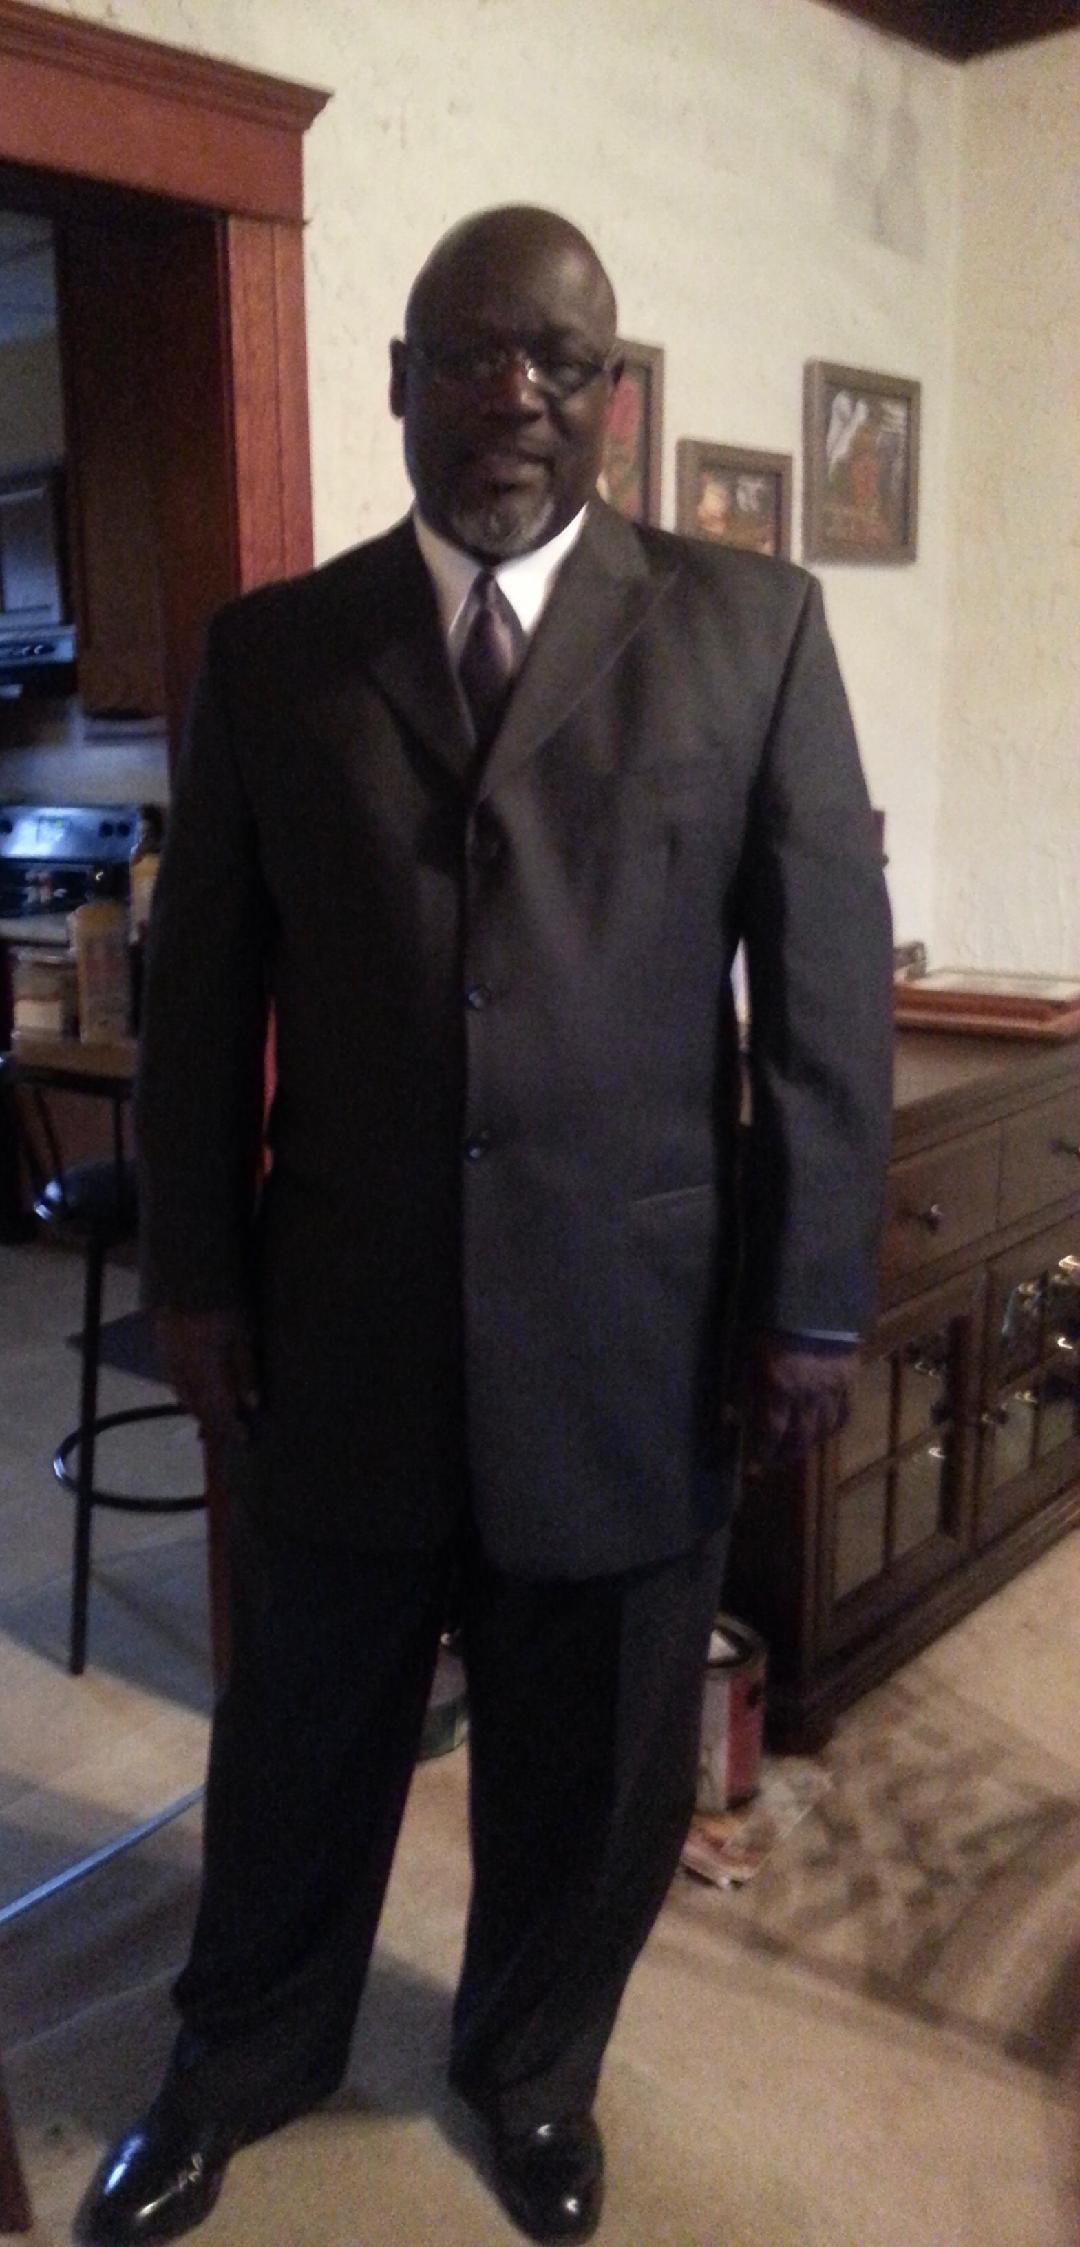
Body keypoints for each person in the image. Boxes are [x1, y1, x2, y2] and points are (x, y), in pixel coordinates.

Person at [75, 205, 892, 2247]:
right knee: (301, 1734)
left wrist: (810, 1298)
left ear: (610, 396)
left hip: (634, 1323)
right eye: (467, 353)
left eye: (560, 362)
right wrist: (195, 1275)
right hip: (339, 1320)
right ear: (397, 379)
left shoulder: (755, 630)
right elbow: (203, 1001)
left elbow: (821, 997)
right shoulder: (276, 651)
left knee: (593, 1758)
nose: (512, 397)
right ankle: (239, 2054)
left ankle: (532, 2065)